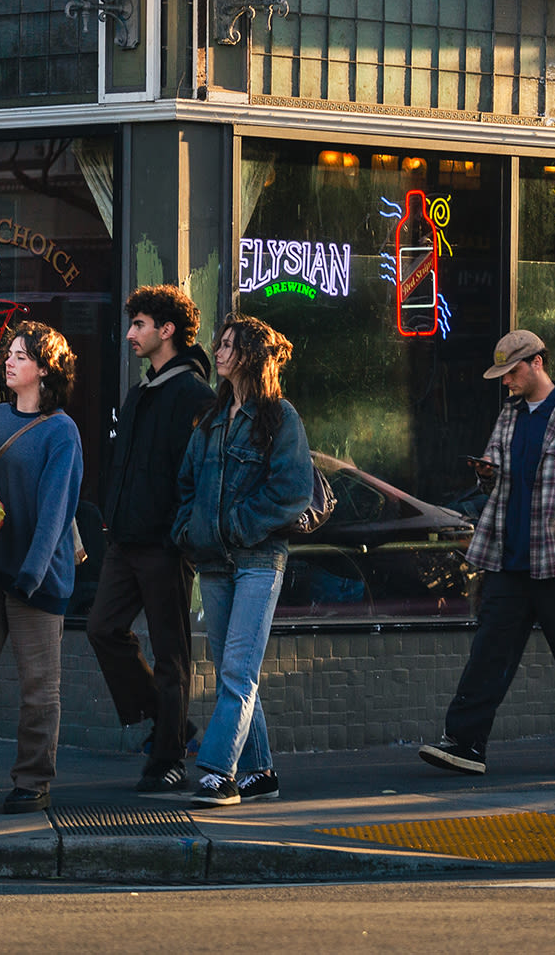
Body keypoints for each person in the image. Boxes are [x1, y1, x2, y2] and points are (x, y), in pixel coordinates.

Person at [419, 329, 555, 777]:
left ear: (537, 363)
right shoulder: (508, 417)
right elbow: (495, 480)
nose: (506, 381)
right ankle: (465, 743)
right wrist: (487, 474)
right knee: (489, 652)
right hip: (507, 557)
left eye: (512, 371)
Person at [171, 314, 314, 807]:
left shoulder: (281, 418)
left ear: (251, 355)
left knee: (237, 670)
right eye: (221, 343)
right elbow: (186, 483)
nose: (220, 352)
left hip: (258, 559)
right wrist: (188, 530)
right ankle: (261, 772)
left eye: (230, 345)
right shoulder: (211, 420)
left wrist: (235, 525)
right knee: (236, 668)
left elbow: (293, 490)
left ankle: (218, 771)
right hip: (213, 562)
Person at [0, 321, 85, 813]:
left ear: (45, 370)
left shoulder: (61, 432)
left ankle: (33, 780)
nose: (9, 361)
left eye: (21, 356)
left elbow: (56, 512)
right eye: (9, 354)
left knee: (37, 687)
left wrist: (31, 574)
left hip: (36, 578)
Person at [87, 285, 216, 794]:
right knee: (102, 628)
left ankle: (168, 759)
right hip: (124, 542)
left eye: (139, 324)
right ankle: (174, 725)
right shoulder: (141, 392)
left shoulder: (195, 395)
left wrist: (180, 534)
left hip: (165, 546)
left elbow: (200, 476)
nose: (131, 334)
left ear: (167, 330)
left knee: (171, 654)